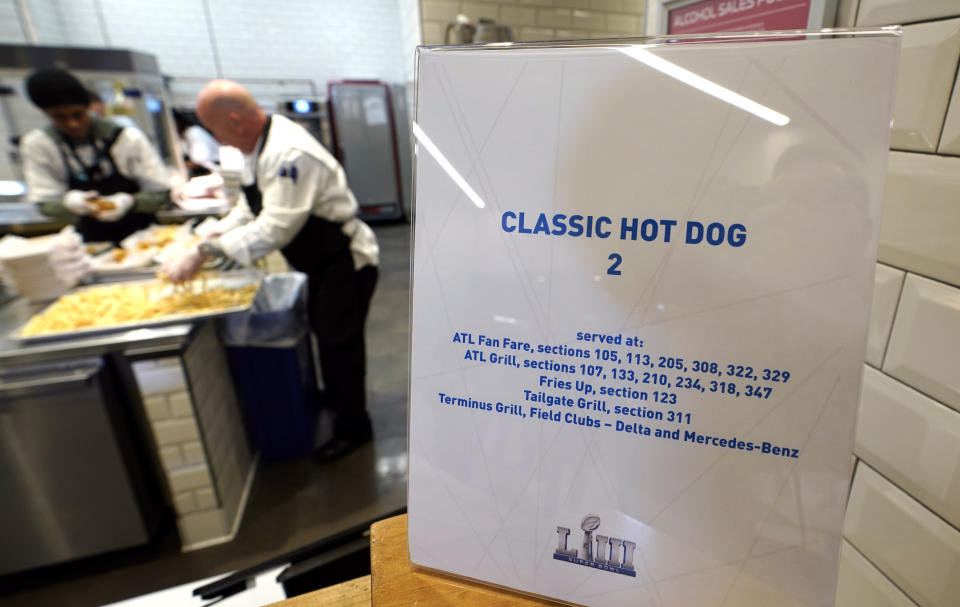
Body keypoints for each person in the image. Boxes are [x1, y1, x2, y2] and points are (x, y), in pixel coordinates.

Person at [163, 80, 379, 463]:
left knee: (339, 345)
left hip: (345, 261)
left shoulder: (288, 151)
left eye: (214, 131)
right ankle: (339, 398)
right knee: (325, 332)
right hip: (320, 261)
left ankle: (354, 428)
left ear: (234, 121)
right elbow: (251, 210)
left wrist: (205, 252)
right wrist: (210, 233)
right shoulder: (258, 146)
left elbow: (276, 227)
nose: (217, 140)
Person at [20, 69, 171, 244]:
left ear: (88, 107)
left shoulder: (125, 137)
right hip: (90, 244)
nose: (73, 124)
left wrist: (128, 201)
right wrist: (70, 203)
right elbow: (45, 205)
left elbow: (161, 196)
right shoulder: (39, 145)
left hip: (147, 238)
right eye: (60, 117)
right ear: (46, 114)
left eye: (78, 114)